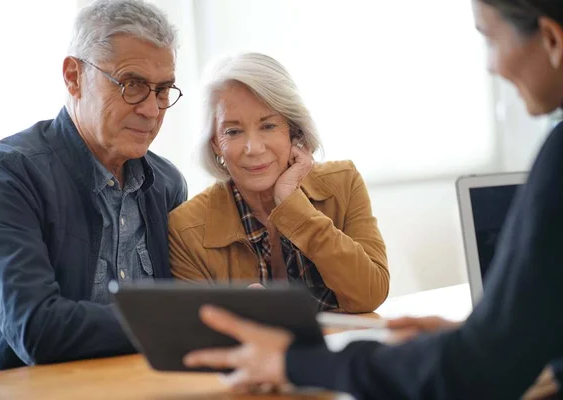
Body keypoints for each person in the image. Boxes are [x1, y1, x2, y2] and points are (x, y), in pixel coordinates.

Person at [182, 0, 563, 398]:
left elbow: (480, 366)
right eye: (233, 131)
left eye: (489, 39)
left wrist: (296, 362)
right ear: (215, 143)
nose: (491, 66)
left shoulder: (558, 158)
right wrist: (471, 335)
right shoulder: (190, 224)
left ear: (552, 39)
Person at [0, 0, 186, 376]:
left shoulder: (166, 183)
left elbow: (182, 307)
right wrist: (176, 323)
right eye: (132, 85)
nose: (151, 110)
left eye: (162, 90)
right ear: (73, 76)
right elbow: (37, 329)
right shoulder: (5, 173)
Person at [168, 52, 389, 313]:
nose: (253, 148)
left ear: (293, 130)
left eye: (268, 126)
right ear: (216, 143)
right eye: (233, 131)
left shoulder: (343, 182)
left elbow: (370, 294)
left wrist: (294, 208)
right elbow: (195, 338)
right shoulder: (186, 229)